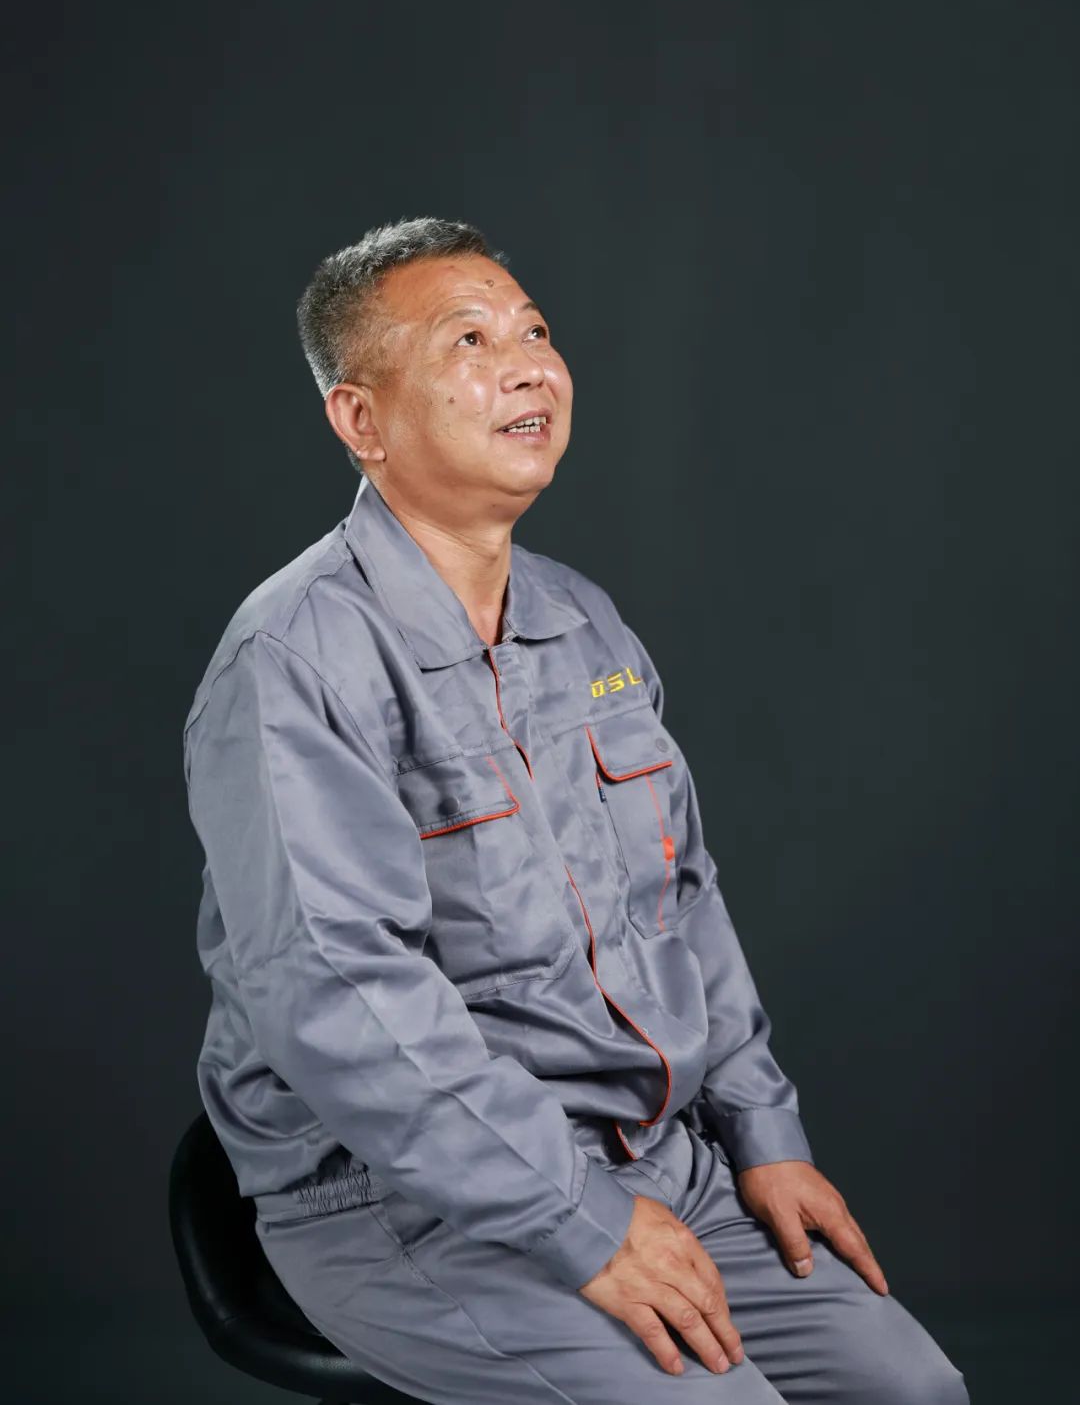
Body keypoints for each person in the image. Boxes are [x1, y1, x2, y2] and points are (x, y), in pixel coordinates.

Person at [183, 216, 968, 1403]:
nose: (528, 366)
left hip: (655, 1159)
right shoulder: (296, 657)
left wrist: (764, 1136)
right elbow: (341, 998)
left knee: (911, 1390)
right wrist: (583, 1222)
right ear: (361, 420)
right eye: (469, 341)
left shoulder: (584, 625)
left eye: (535, 332)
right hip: (405, 1197)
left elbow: (682, 904)